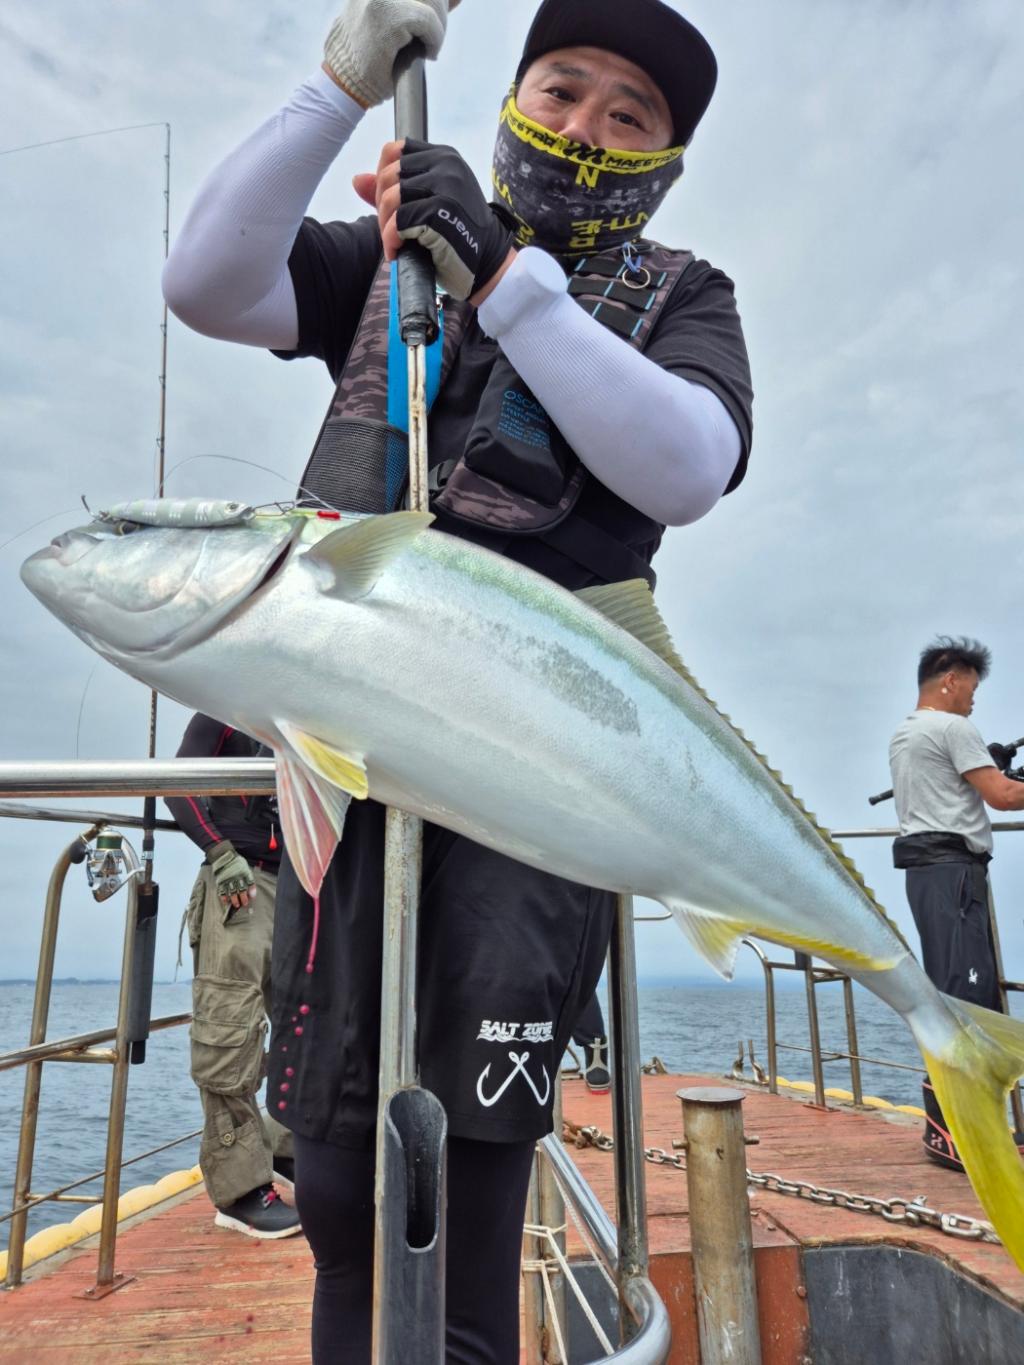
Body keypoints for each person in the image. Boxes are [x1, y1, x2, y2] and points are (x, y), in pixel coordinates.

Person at [163, 0, 752, 1356]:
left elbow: (685, 464)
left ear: (667, 158)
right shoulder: (392, 257)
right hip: (344, 773)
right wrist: (339, 87)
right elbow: (205, 282)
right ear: (509, 95)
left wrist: (506, 278)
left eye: (630, 114)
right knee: (332, 1185)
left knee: (465, 1200)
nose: (585, 126)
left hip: (531, 789)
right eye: (562, 88)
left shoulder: (684, 298)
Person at [889, 636, 1024, 1169]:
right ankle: (953, 1132)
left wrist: (992, 766)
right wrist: (1009, 777)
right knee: (968, 1001)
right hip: (955, 874)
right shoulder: (952, 726)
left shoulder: (907, 731)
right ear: (950, 679)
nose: (973, 700)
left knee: (955, 991)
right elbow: (1004, 797)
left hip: (929, 875)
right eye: (971, 687)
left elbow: (950, 787)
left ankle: (956, 1125)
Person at [165, 713, 301, 1239]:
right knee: (230, 1034)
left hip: (299, 884)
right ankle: (240, 1190)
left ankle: (287, 1147)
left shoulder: (304, 714)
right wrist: (218, 852)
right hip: (237, 885)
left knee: (307, 1022)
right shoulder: (222, 707)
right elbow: (179, 783)